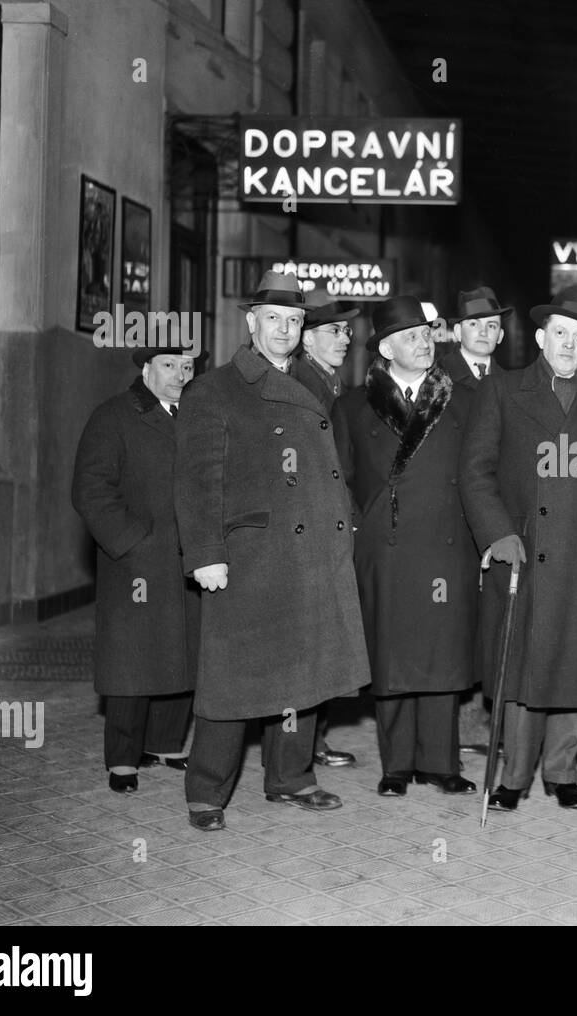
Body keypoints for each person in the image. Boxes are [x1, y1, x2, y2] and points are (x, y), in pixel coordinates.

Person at [174, 270, 370, 832]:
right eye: (273, 319)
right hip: (249, 555)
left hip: (309, 556)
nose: (283, 329)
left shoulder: (313, 384)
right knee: (231, 678)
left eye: (293, 320)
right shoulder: (215, 390)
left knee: (303, 676)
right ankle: (207, 790)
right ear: (250, 321)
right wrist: (205, 554)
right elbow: (195, 482)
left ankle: (291, 777)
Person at [460, 287, 577, 812]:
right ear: (542, 338)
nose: (569, 342)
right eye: (560, 332)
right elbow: (475, 474)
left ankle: (562, 772)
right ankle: (513, 777)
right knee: (521, 670)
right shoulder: (503, 391)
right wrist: (497, 534)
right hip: (524, 554)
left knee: (575, 668)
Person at [331, 296, 479, 798]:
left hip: (446, 544)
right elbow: (340, 480)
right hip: (385, 547)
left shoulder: (463, 400)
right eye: (412, 336)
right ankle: (395, 766)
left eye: (427, 334)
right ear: (387, 347)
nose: (424, 343)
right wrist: (357, 534)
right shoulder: (352, 405)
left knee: (442, 654)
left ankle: (441, 763)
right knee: (391, 655)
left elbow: (481, 475)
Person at [71, 348, 198, 793]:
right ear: (145, 369)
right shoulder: (113, 416)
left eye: (187, 366)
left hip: (189, 557)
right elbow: (90, 490)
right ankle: (123, 757)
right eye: (169, 365)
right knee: (132, 661)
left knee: (183, 651)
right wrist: (132, 542)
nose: (179, 374)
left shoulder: (198, 414)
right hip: (137, 563)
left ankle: (166, 742)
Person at [293, 286, 360, 769]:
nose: (344, 339)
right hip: (312, 532)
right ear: (307, 339)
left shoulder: (327, 381)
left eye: (346, 331)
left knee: (324, 640)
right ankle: (300, 750)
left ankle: (312, 742)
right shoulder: (304, 384)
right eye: (333, 331)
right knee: (310, 643)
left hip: (331, 526)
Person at [442, 286, 511, 389]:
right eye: (474, 324)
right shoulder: (437, 376)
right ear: (458, 331)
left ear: (500, 336)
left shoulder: (509, 384)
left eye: (491, 326)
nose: (483, 332)